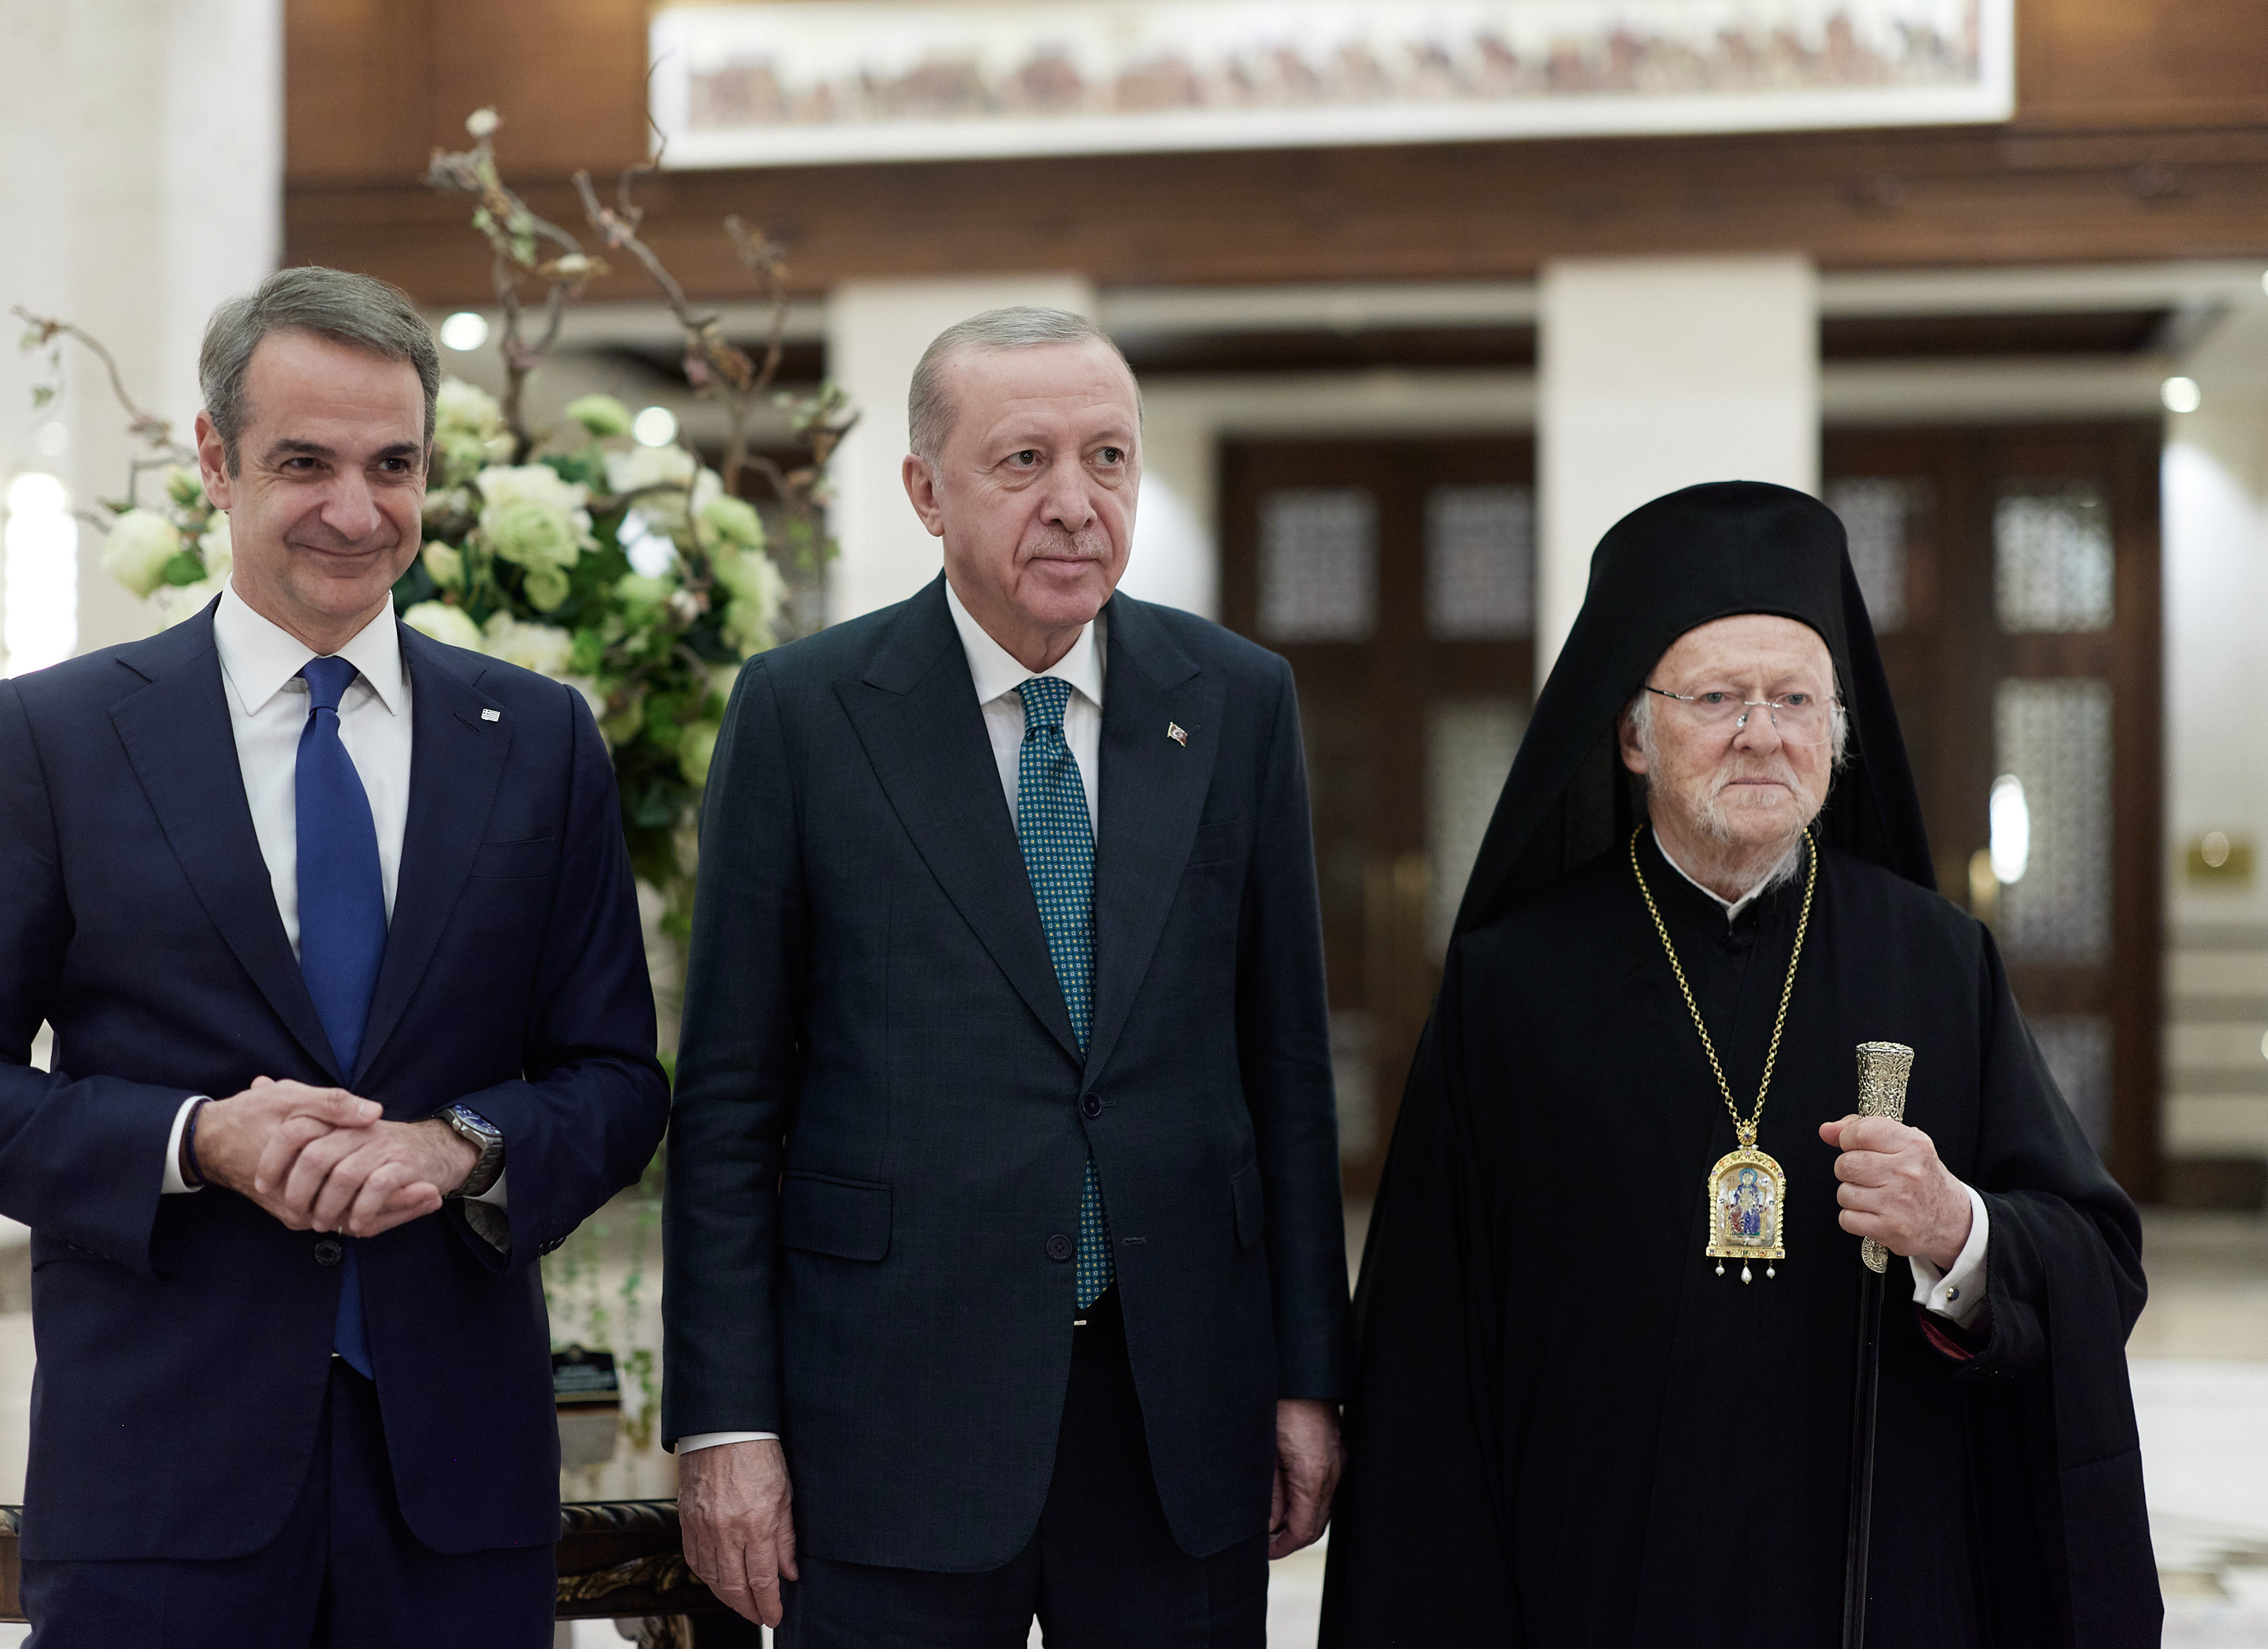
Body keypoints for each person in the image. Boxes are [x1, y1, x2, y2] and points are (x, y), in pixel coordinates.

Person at [0, 267, 669, 1646]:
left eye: (393, 464)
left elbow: (616, 1080)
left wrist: (460, 1146)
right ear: (216, 461)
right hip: (159, 1485)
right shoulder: (58, 738)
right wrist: (195, 1138)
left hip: (457, 1495)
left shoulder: (540, 739)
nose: (357, 509)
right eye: (305, 462)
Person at [1319, 482, 2160, 1647]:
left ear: (1838, 731)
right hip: (1591, 1576)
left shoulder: (1935, 957)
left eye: (1796, 698)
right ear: (1632, 734)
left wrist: (1953, 1226)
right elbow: (1426, 1346)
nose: (1762, 733)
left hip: (1871, 1580)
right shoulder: (1511, 984)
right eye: (1716, 697)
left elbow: (2094, 1258)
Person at [663, 307, 1352, 1646]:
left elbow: (1286, 1071)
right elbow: (733, 1097)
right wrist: (725, 1419)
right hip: (888, 1411)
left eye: (1108, 457)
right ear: (927, 491)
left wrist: (1306, 1376)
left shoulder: (1234, 699)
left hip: (1175, 1403)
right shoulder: (804, 712)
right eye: (1024, 460)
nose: (1075, 503)